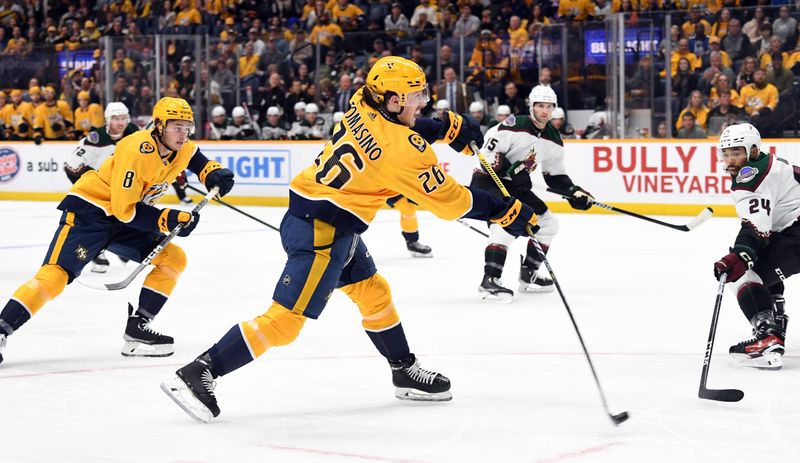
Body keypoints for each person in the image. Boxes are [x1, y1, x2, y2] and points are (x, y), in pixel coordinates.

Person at [160, 56, 540, 422]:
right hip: (322, 231)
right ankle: (200, 371)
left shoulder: (362, 99)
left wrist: (444, 129)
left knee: (374, 292)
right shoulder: (402, 153)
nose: (421, 103)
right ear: (392, 100)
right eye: (415, 98)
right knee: (286, 321)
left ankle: (403, 369)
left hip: (322, 216)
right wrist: (505, 210)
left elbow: (397, 130)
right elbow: (451, 201)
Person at [0, 97, 235, 365]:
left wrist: (212, 173)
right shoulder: (136, 150)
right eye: (176, 127)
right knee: (55, 276)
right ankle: (1, 329)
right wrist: (168, 218)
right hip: (91, 214)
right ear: (159, 126)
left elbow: (196, 158)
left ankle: (138, 329)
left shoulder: (180, 146)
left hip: (124, 221)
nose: (183, 134)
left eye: (187, 127)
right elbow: (126, 210)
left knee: (174, 258)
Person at [471, 85, 593, 301]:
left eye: (548, 106)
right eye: (539, 106)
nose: (544, 111)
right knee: (504, 223)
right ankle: (490, 280)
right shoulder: (514, 125)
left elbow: (554, 175)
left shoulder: (553, 138)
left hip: (517, 186)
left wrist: (574, 192)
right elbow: (485, 154)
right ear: (531, 106)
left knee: (548, 224)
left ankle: (528, 275)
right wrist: (507, 166)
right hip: (489, 181)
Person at [712, 123, 797, 370]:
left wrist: (737, 257)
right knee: (762, 261)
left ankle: (768, 338)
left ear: (751, 151)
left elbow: (757, 229)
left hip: (797, 232)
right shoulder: (769, 162)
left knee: (742, 276)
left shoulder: (749, 179)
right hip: (793, 229)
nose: (730, 160)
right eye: (725, 153)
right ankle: (776, 317)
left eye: (736, 153)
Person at [63, 102, 140, 273]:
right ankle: (98, 253)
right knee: (100, 222)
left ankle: (121, 247)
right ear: (107, 120)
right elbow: (71, 165)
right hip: (100, 187)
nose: (121, 123)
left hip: (122, 185)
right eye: (116, 119)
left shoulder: (135, 133)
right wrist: (88, 185)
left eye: (123, 118)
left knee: (128, 216)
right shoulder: (95, 138)